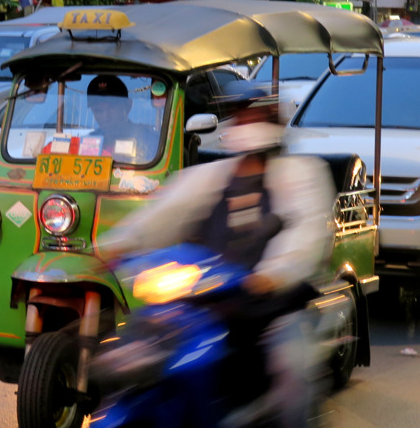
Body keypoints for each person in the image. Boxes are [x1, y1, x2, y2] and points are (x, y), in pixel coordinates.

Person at [102, 82, 334, 428]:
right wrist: (117, 245)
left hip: (272, 306)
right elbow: (164, 212)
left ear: (272, 120)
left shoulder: (302, 174)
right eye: (240, 117)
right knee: (138, 351)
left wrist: (274, 273)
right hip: (207, 299)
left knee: (293, 369)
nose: (245, 124)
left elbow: (306, 230)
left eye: (252, 116)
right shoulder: (211, 175)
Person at [86, 75, 156, 163]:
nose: (105, 116)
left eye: (112, 108)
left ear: (128, 106)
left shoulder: (149, 141)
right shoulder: (88, 142)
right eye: (98, 111)